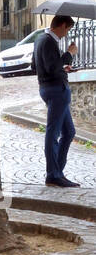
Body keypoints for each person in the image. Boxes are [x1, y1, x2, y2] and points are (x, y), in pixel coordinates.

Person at [33, 14, 80, 187]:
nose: (66, 34)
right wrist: (68, 54)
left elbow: (36, 66)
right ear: (61, 25)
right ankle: (53, 174)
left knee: (69, 132)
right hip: (56, 90)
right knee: (53, 133)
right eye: (67, 29)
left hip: (50, 88)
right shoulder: (48, 41)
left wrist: (63, 68)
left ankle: (57, 172)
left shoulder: (40, 40)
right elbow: (52, 68)